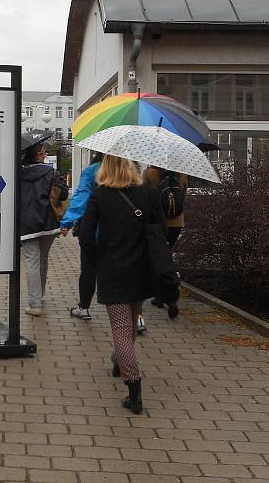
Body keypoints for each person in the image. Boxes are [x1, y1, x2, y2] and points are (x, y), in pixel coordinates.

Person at [79, 155, 165, 414]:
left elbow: (85, 235)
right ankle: (119, 360)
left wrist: (95, 261)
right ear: (131, 166)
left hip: (112, 269)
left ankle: (133, 385)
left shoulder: (99, 195)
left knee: (120, 325)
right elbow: (159, 233)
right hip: (141, 271)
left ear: (105, 168)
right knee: (132, 319)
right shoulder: (149, 195)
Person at [20, 133, 69, 317]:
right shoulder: (51, 172)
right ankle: (39, 295)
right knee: (43, 259)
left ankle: (35, 303)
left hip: (27, 224)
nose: (46, 154)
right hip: (48, 224)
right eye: (44, 152)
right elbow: (62, 195)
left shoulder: (18, 172)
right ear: (39, 154)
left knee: (32, 260)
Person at [60, 152, 103, 320]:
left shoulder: (93, 170)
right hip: (124, 231)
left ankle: (84, 308)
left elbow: (81, 198)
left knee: (88, 269)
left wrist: (67, 222)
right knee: (127, 271)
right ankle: (138, 317)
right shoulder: (130, 172)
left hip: (94, 230)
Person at [143, 166, 188, 319]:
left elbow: (145, 197)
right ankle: (169, 294)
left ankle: (161, 296)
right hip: (176, 222)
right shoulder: (181, 173)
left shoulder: (151, 172)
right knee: (167, 256)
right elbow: (183, 197)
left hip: (157, 223)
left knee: (156, 259)